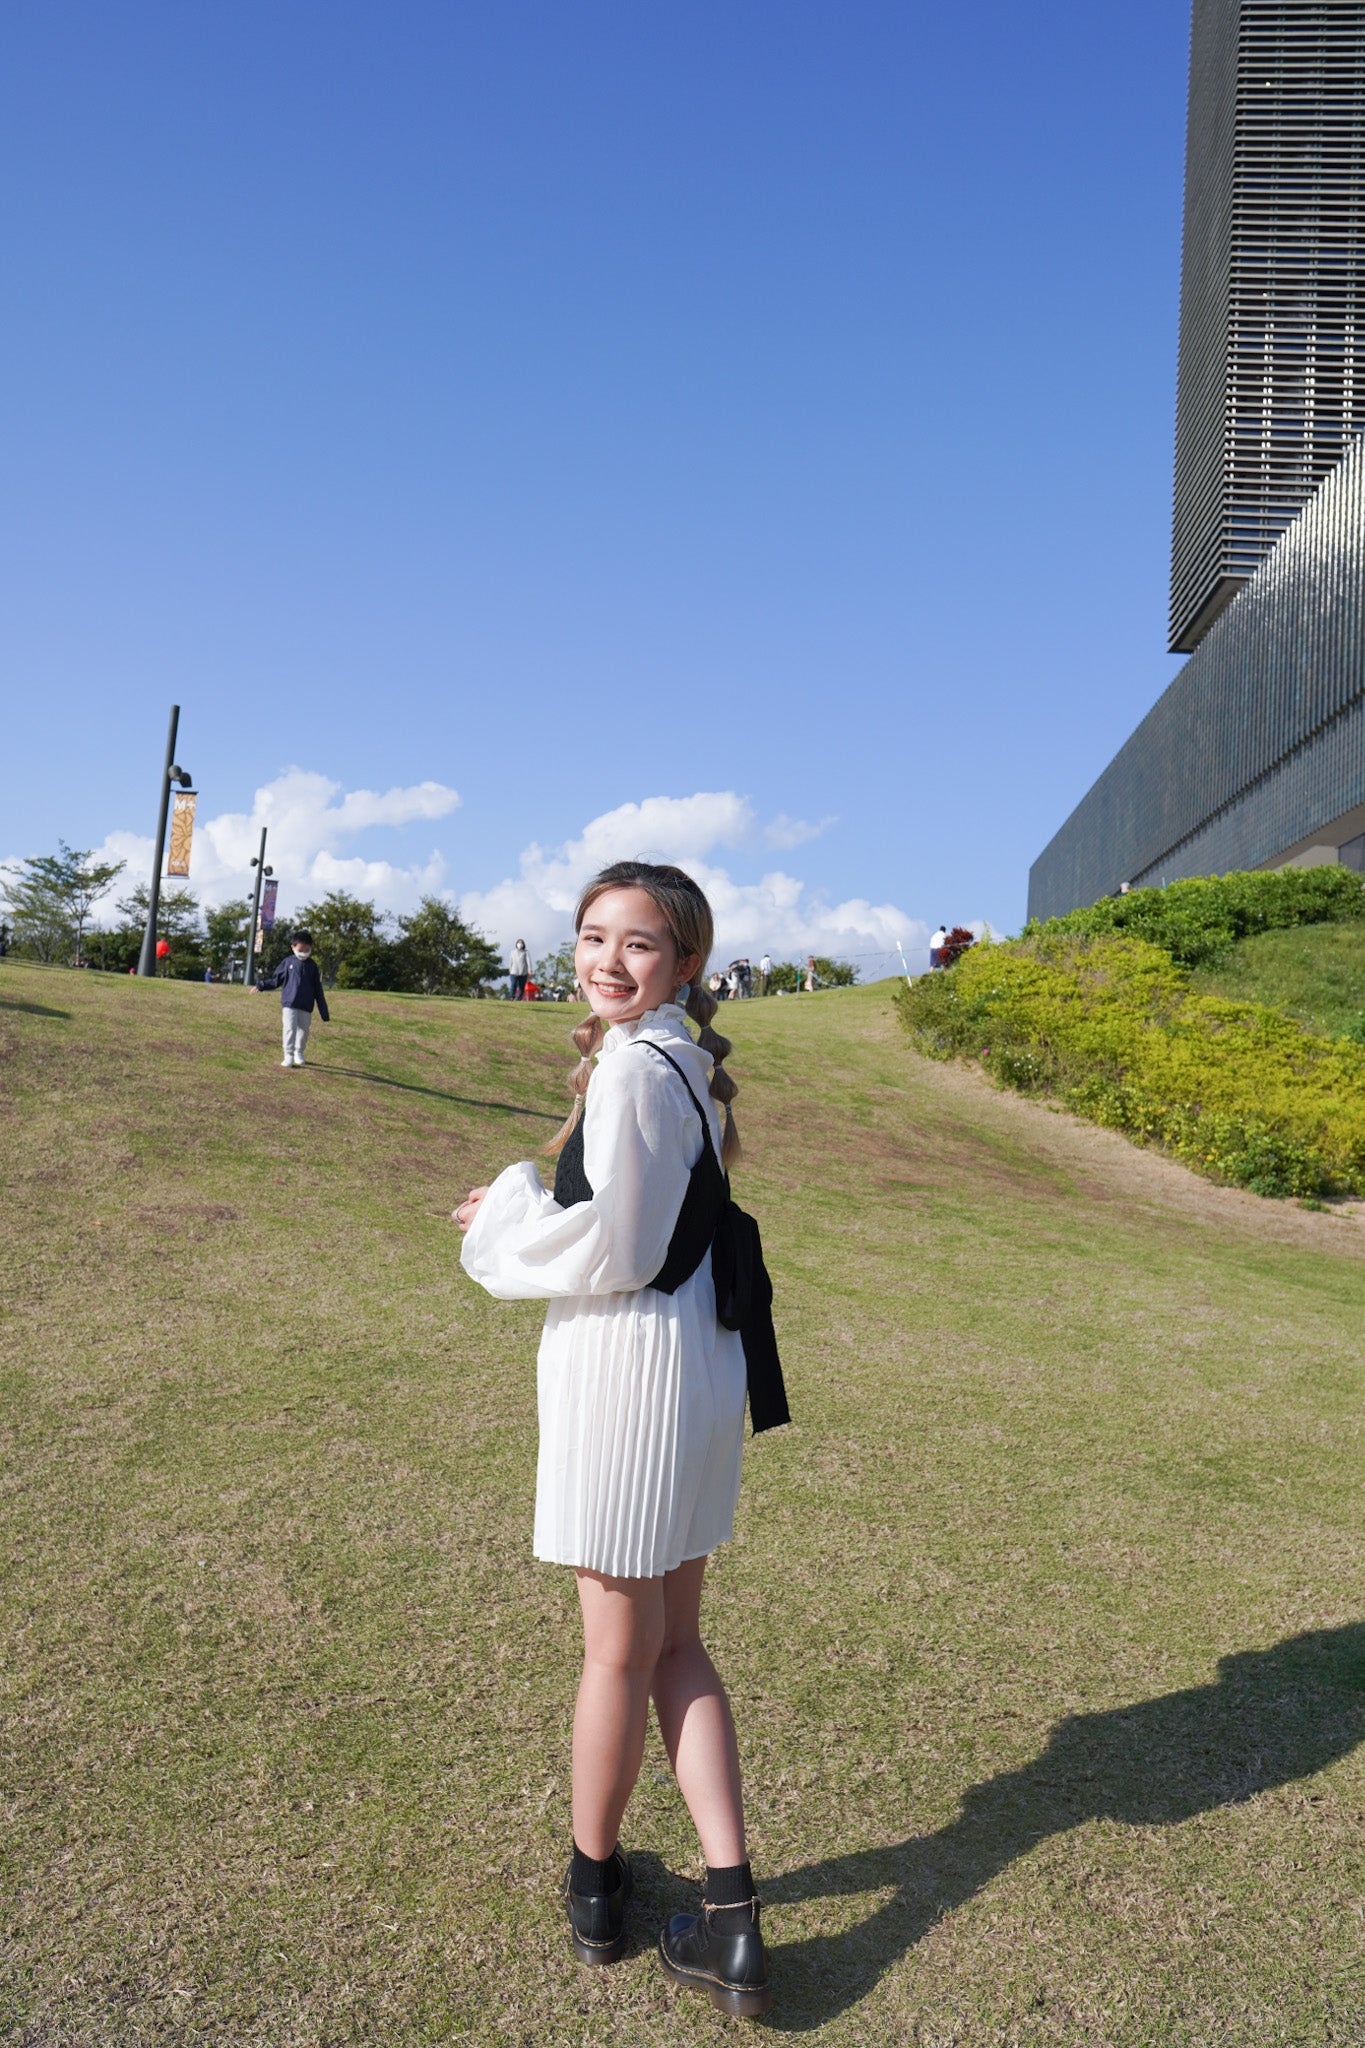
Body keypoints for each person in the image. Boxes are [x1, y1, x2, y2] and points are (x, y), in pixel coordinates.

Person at [456, 861, 779, 2019]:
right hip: (691, 1363)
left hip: (632, 1365)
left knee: (615, 1651)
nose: (607, 959)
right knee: (675, 1641)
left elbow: (619, 1247)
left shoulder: (639, 1067)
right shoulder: (678, 1058)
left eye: (638, 943)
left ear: (686, 958)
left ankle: (596, 1886)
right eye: (593, 935)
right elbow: (645, 1221)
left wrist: (502, 1216)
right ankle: (732, 1917)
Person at [252, 929, 329, 1067]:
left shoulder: (312, 966)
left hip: (306, 1005)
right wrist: (261, 985)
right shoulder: (287, 962)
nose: (304, 952)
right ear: (293, 947)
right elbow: (276, 980)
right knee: (289, 1028)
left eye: (307, 949)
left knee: (304, 1031)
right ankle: (288, 1055)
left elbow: (318, 990)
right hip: (289, 1003)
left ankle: (299, 1052)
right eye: (301, 949)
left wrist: (324, 1012)